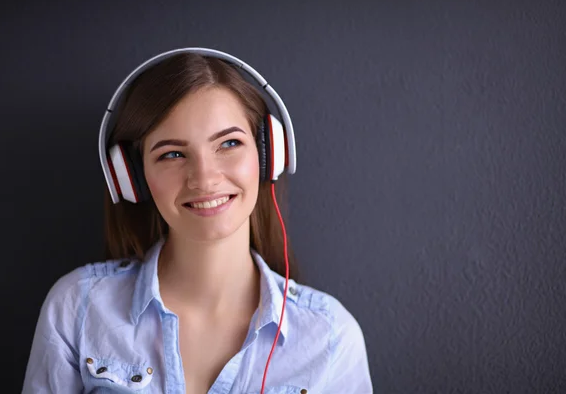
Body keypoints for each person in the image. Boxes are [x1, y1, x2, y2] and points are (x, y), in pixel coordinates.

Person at [22, 48, 374, 394]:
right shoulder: (77, 309)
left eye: (229, 143)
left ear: (269, 155)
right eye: (172, 154)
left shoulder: (330, 336)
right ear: (132, 178)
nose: (203, 178)